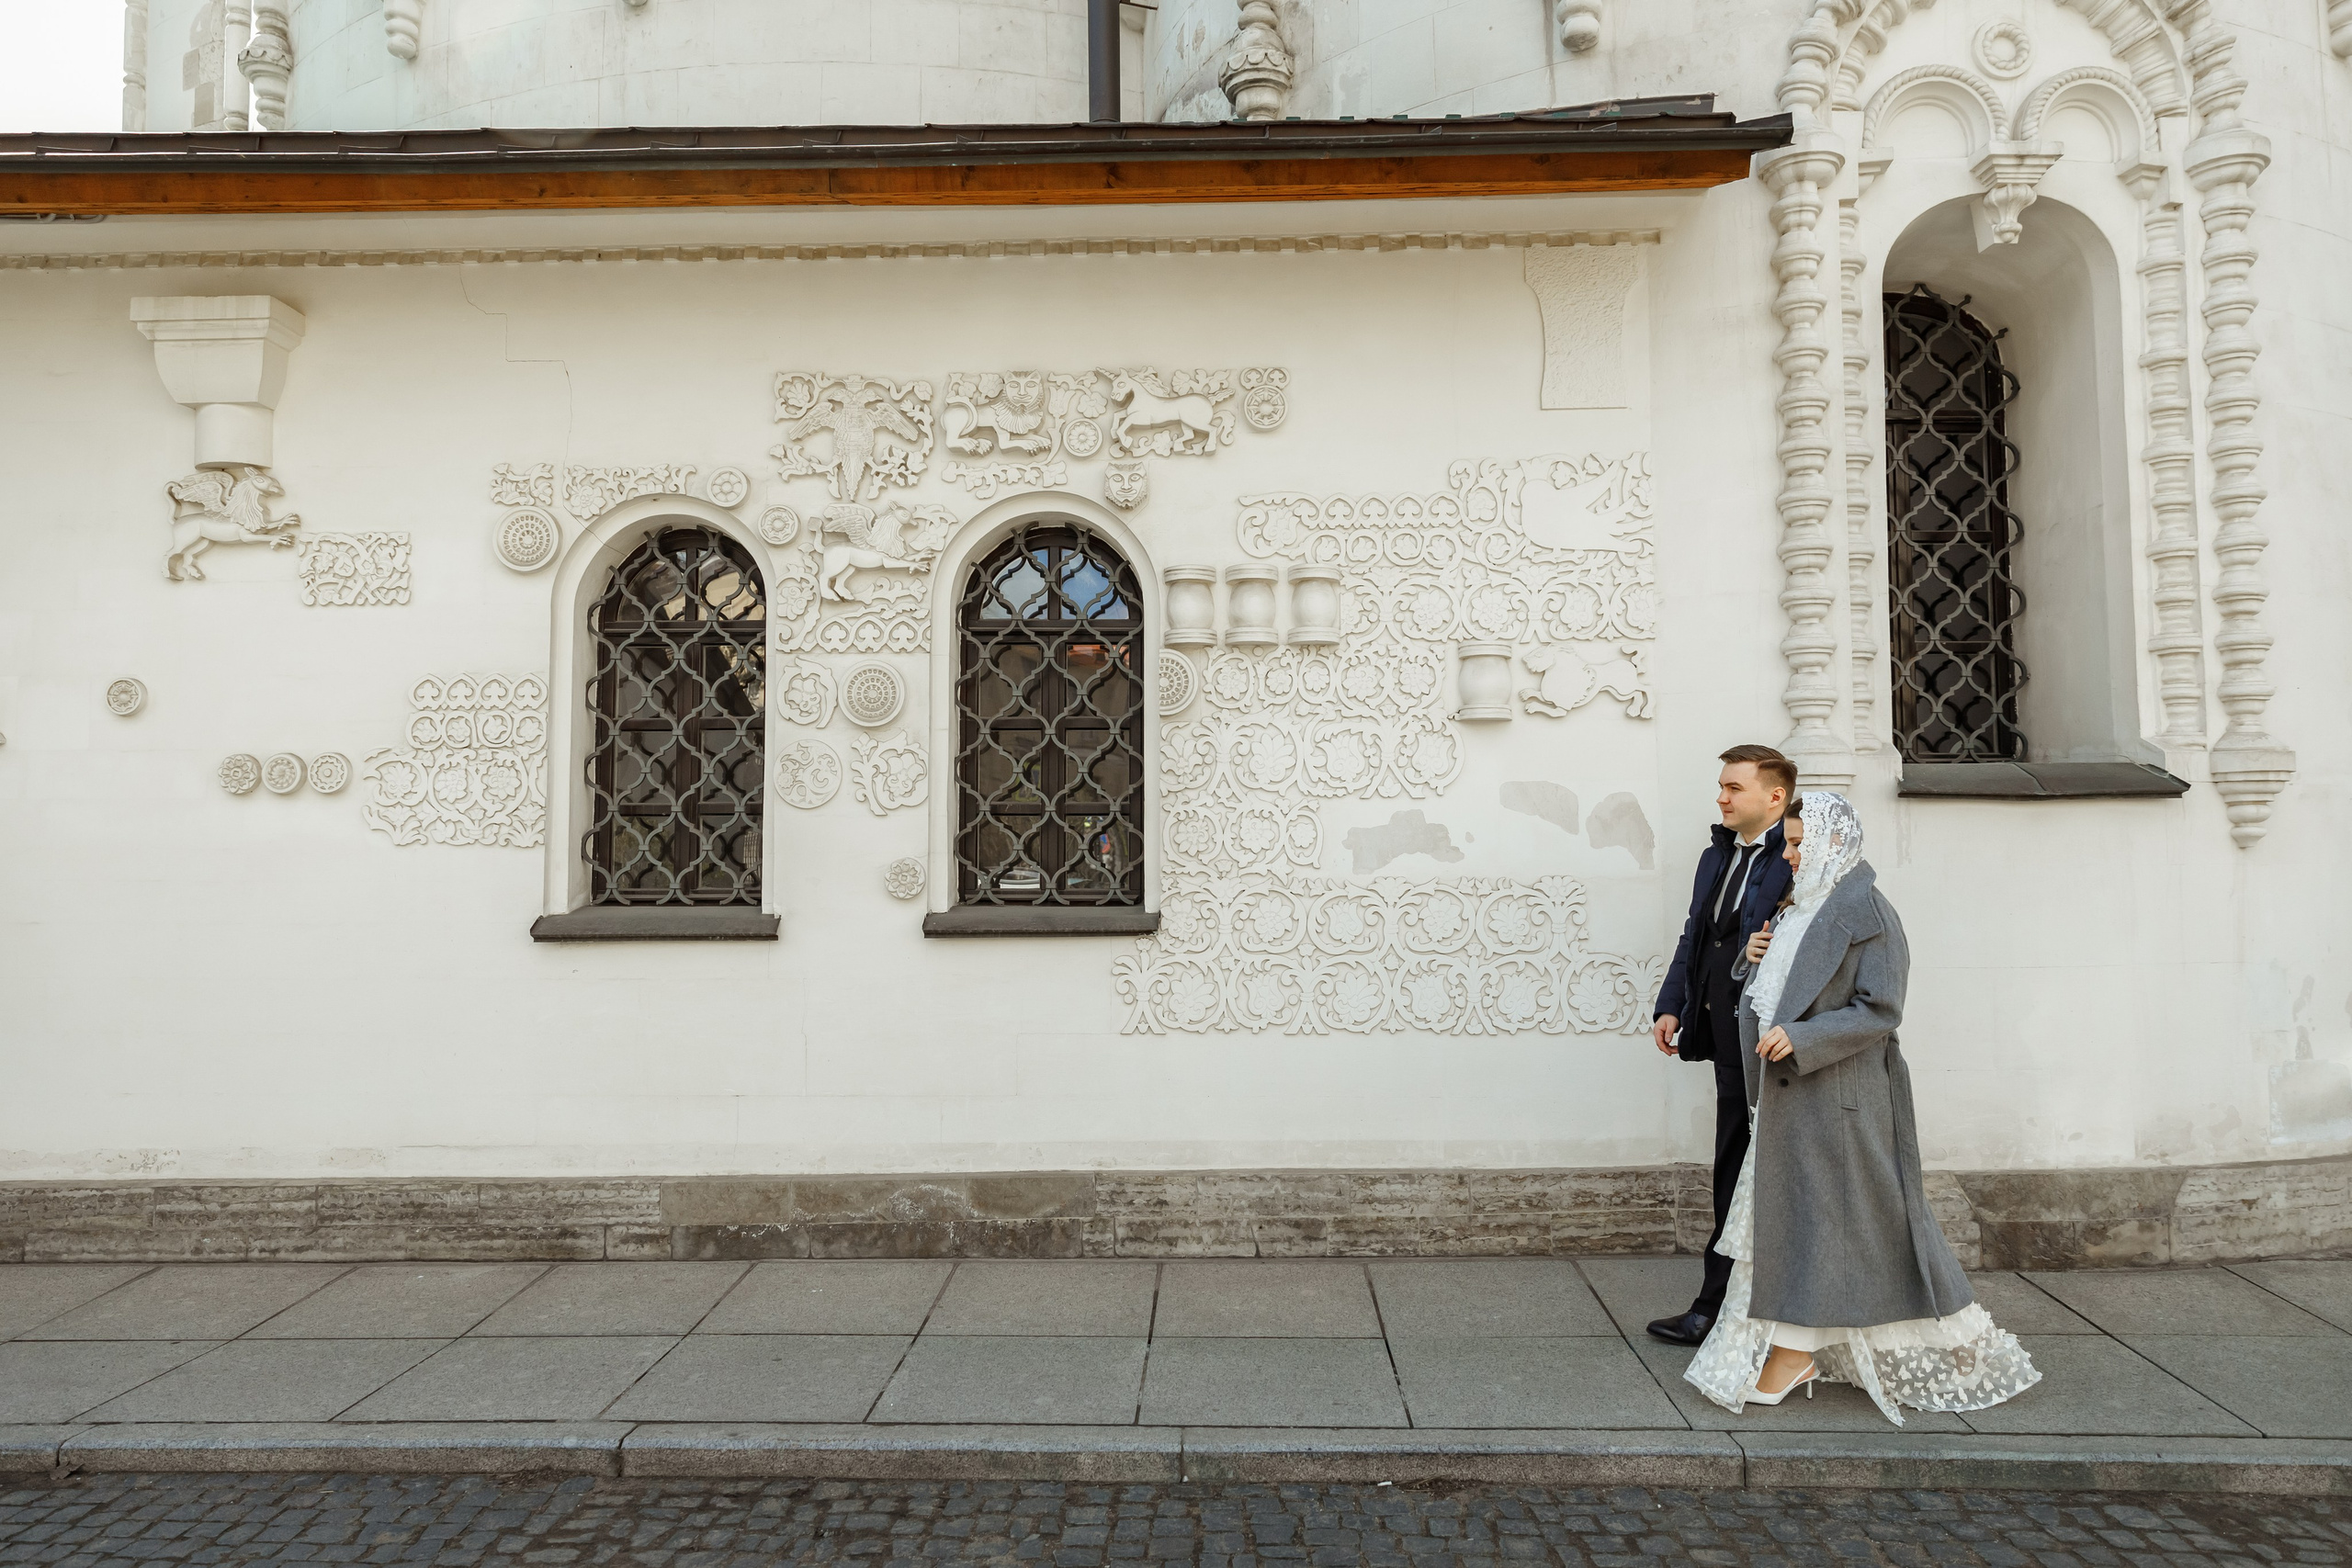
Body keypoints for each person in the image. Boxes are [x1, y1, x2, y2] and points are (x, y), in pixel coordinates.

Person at [1684, 791, 2040, 1423]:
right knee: (1815, 1224)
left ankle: (1824, 1351)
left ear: (1833, 843)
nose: (1788, 855)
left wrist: (1804, 1037)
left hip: (1840, 1098)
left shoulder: (1869, 912)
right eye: (1789, 844)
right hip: (1792, 1101)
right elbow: (1778, 990)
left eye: (1799, 844)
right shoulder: (1800, 906)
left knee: (1863, 1222)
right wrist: (1752, 956)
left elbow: (1881, 1007)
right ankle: (1804, 1348)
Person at [1645, 743, 1797, 1347]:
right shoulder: (1717, 855)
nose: (1722, 797)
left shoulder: (1798, 855)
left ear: (1775, 796)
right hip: (1725, 1034)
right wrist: (1672, 1003)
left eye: (1734, 787)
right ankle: (1723, 1304)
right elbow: (1695, 934)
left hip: (1773, 1038)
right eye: (1722, 786)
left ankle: (1724, 1308)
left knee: (1758, 1169)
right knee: (1733, 1163)